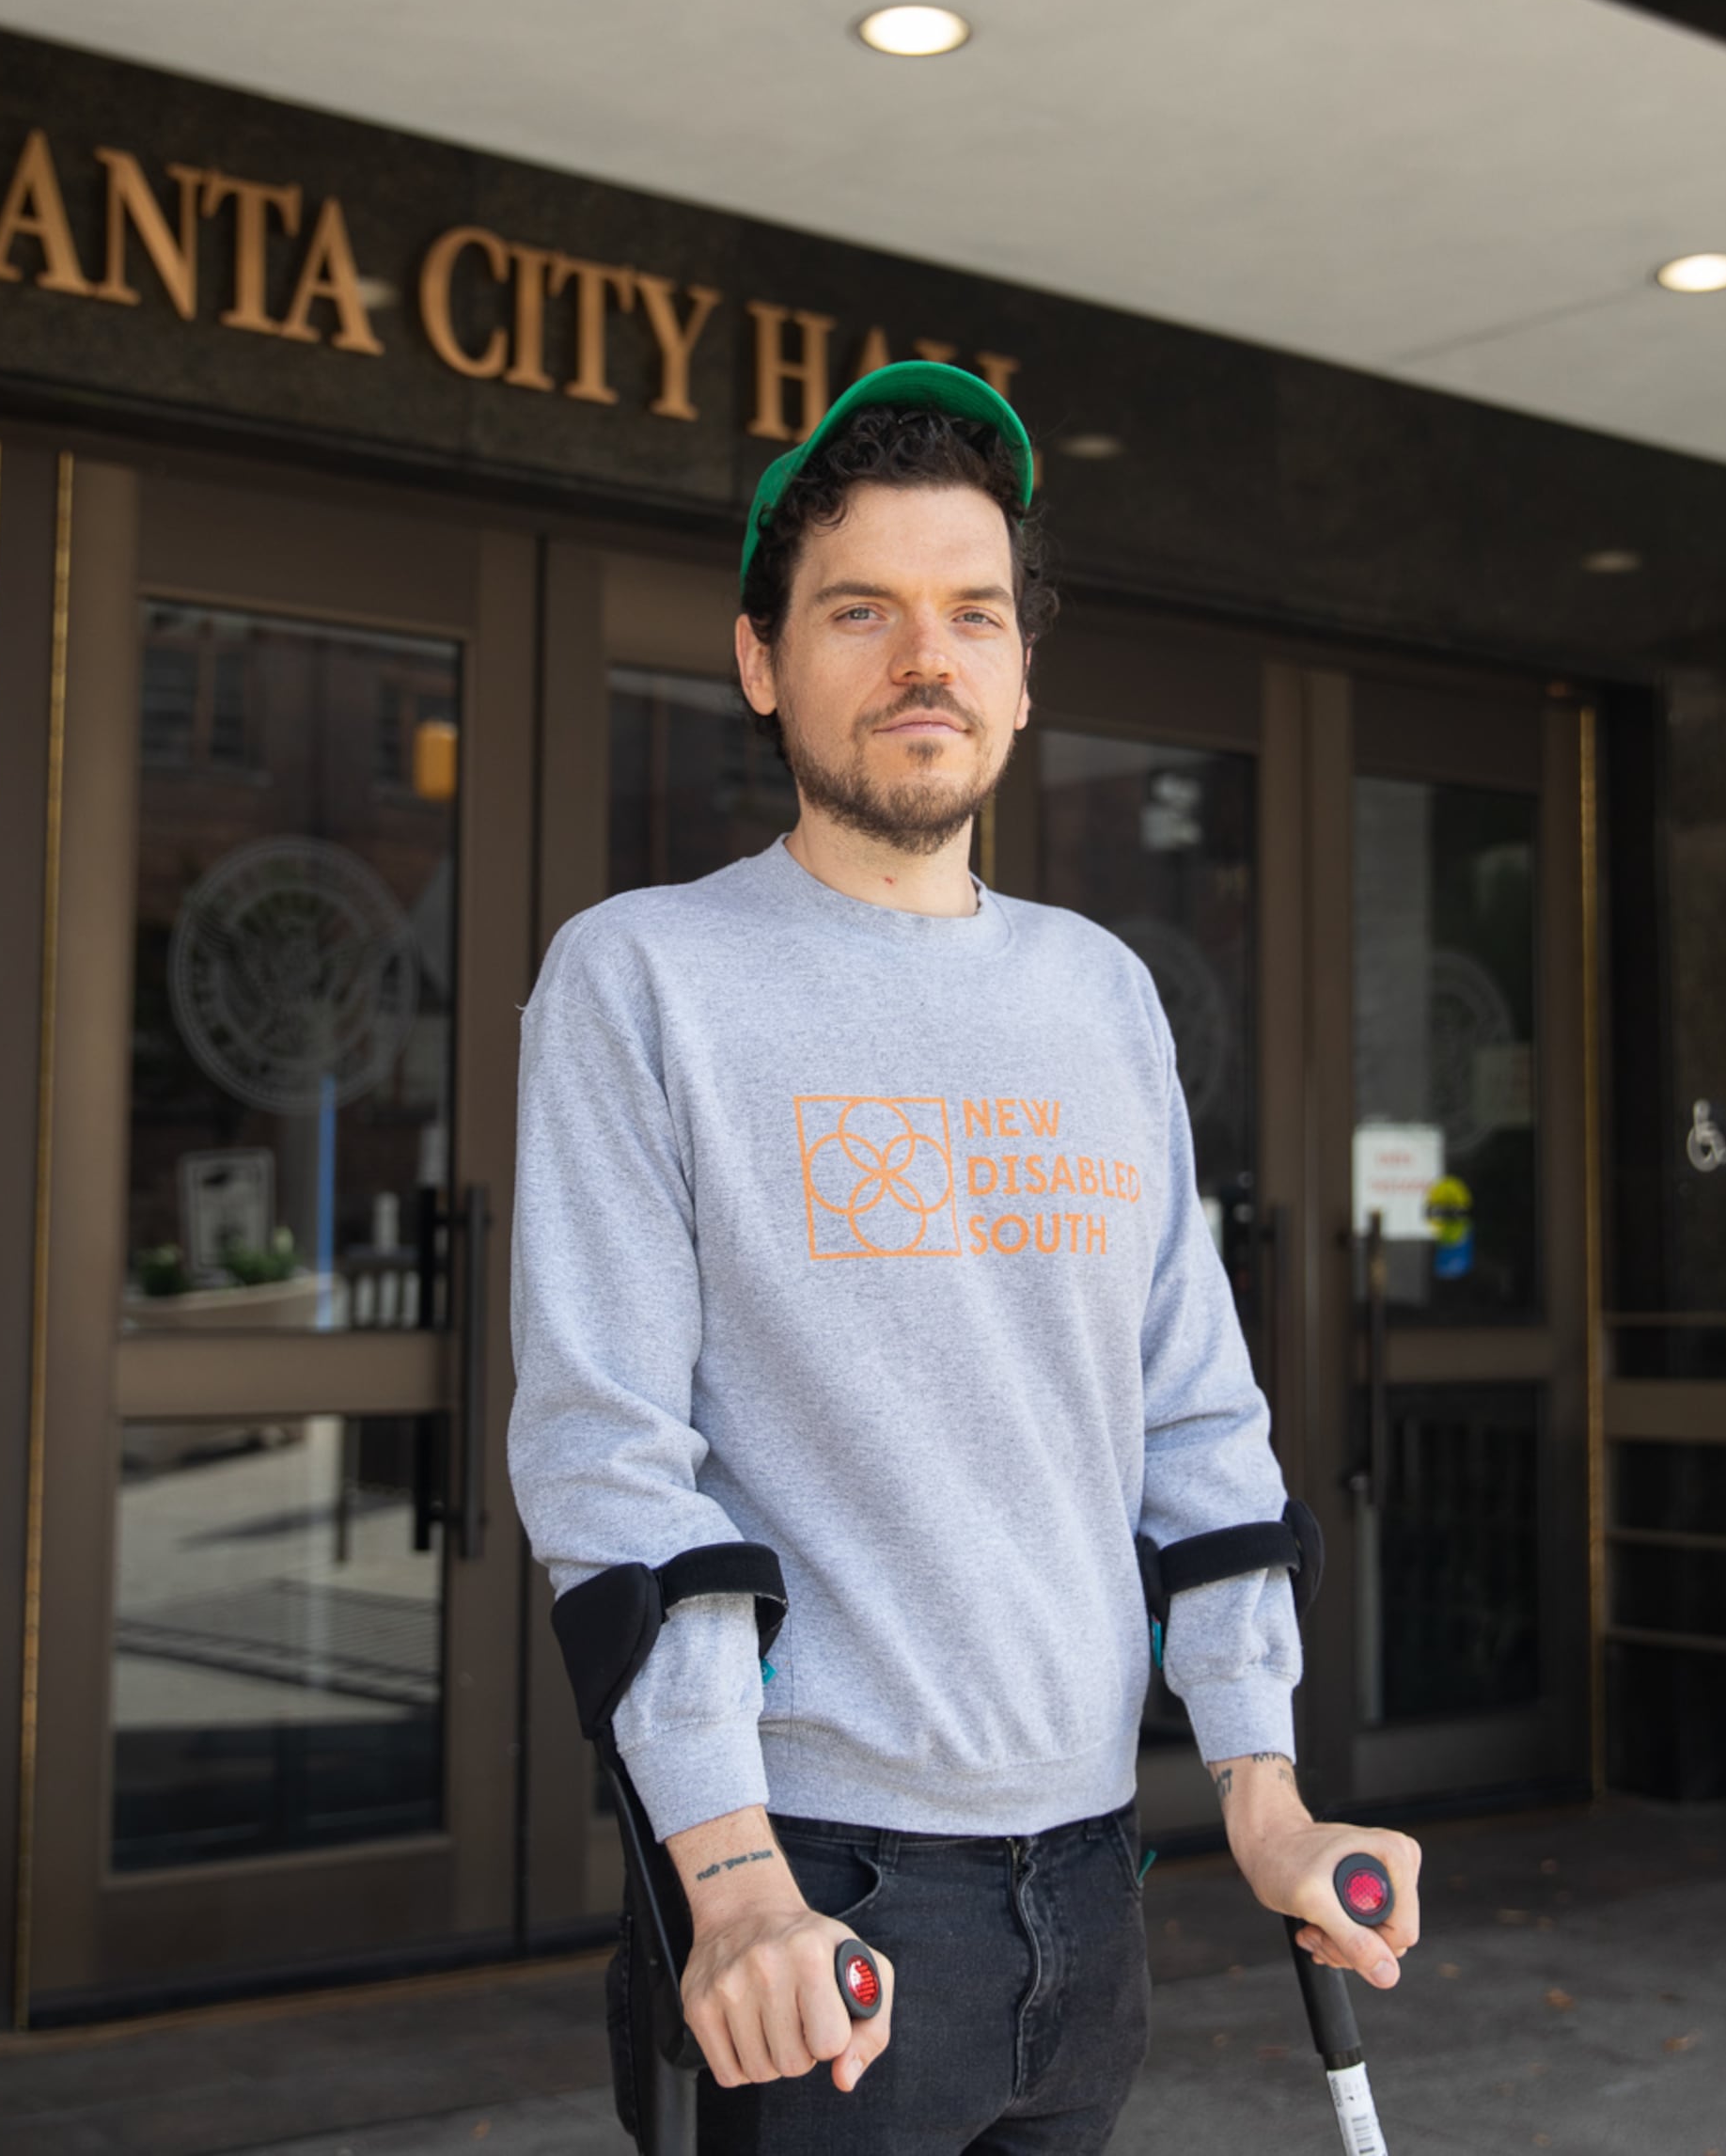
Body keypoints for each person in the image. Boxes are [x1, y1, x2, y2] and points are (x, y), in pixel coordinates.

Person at [510, 362, 1423, 2152]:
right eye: (862, 610)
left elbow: (1195, 1420)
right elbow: (606, 1455)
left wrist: (1266, 1796)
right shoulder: (644, 977)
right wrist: (730, 1879)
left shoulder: (1102, 991)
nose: (927, 657)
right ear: (762, 660)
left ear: (1020, 674)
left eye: (973, 614)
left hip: (1091, 1880)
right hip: (815, 1898)